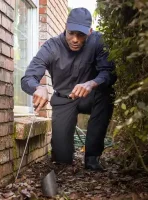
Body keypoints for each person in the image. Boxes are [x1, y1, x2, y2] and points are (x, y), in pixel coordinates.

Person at [21, 8, 116, 171]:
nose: (75, 39)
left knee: (107, 94)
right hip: (64, 99)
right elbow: (27, 78)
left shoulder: (98, 42)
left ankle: (92, 157)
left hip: (90, 96)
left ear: (90, 32)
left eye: (81, 35)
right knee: (61, 159)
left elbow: (109, 73)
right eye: (71, 33)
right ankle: (63, 154)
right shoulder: (51, 46)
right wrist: (38, 87)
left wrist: (91, 83)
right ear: (65, 27)